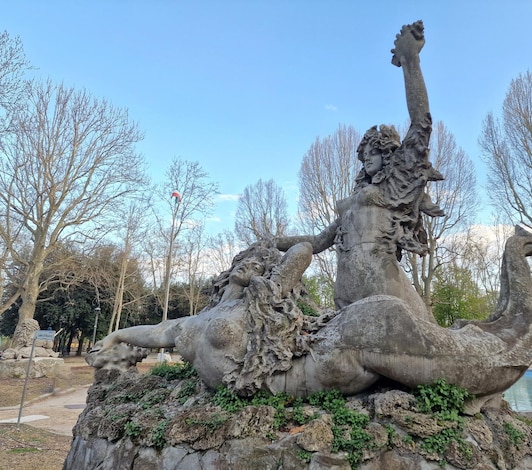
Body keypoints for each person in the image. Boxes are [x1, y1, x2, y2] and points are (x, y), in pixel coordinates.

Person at [276, 21, 442, 322]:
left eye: (374, 153)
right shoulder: (355, 200)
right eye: (364, 155)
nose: (367, 158)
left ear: (387, 154)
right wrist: (274, 241)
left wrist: (410, 62)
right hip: (346, 289)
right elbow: (318, 242)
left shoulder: (393, 186)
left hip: (382, 283)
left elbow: (421, 124)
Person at [88, 242, 313, 395]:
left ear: (264, 274)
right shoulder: (200, 317)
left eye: (256, 266)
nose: (246, 265)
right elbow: (157, 332)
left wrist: (272, 245)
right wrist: (116, 336)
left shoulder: (257, 306)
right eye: (244, 261)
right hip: (217, 402)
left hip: (273, 388)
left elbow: (304, 250)